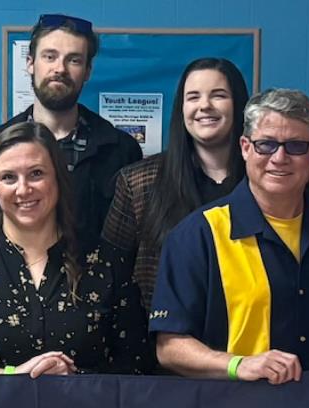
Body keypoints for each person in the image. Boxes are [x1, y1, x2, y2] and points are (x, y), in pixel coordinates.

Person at [150, 88, 309, 380]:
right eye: (266, 144)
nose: (279, 158)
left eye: (295, 146)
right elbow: (170, 347)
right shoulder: (198, 235)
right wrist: (238, 365)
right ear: (245, 147)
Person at [0, 122, 148, 375]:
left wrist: (74, 379)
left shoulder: (106, 261)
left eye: (36, 173)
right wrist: (6, 375)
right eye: (8, 177)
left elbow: (138, 365)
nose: (23, 189)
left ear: (58, 178)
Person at [101, 57, 249, 309]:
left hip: (254, 338)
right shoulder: (137, 182)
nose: (205, 106)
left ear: (239, 104)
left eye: (219, 95)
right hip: (164, 339)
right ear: (181, 108)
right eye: (193, 97)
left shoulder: (270, 177)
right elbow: (110, 273)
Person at [0, 13, 144, 249]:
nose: (59, 69)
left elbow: (129, 242)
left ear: (88, 71)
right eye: (49, 57)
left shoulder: (120, 150)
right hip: (9, 280)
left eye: (73, 60)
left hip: (97, 282)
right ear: (30, 63)